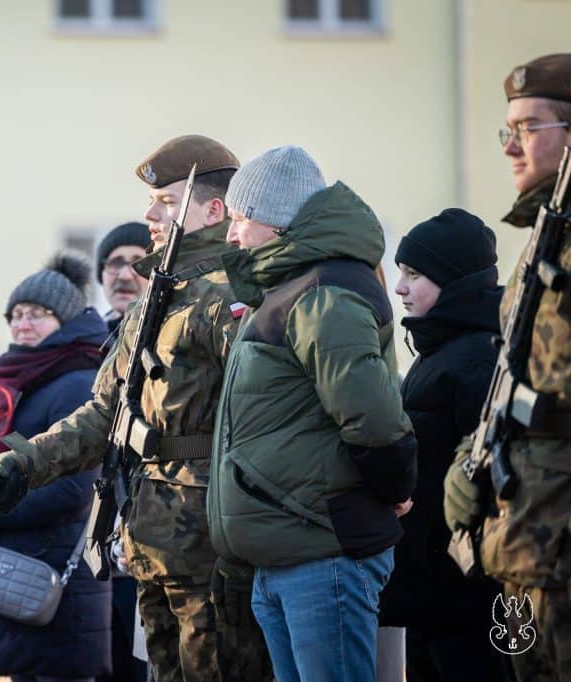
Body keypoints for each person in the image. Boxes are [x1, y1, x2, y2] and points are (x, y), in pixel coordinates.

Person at [0, 135, 271, 682]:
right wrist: (20, 464)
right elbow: (105, 413)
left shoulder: (229, 295)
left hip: (210, 548)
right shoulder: (160, 294)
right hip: (152, 540)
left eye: (166, 201)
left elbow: (261, 422)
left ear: (214, 210)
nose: (150, 214)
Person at [211, 145, 417, 681]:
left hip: (324, 555)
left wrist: (393, 488)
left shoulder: (325, 291)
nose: (231, 235)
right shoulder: (287, 290)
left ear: (277, 221)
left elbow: (371, 415)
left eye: (240, 218)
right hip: (286, 555)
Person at [444, 53, 571, 682]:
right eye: (508, 131)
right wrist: (472, 457)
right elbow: (516, 378)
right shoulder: (545, 238)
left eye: (528, 129)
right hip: (523, 541)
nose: (510, 147)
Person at [0, 251, 112, 681]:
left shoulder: (77, 382)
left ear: (63, 321)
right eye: (16, 314)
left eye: (38, 314)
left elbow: (72, 490)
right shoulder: (20, 380)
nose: (22, 324)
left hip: (55, 580)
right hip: (20, 571)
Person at [380, 209, 509, 681]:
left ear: (454, 281)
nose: (399, 288)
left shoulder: (476, 360)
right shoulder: (438, 352)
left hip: (468, 600)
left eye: (413, 274)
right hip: (432, 595)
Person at [94, 221, 150, 682]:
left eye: (137, 262)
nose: (124, 274)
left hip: (153, 533)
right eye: (114, 263)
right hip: (97, 538)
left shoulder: (163, 345)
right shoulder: (88, 347)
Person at [96, 221, 150, 341]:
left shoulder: (172, 339)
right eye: (116, 263)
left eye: (139, 264)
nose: (125, 276)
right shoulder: (84, 341)